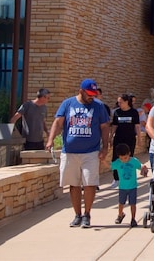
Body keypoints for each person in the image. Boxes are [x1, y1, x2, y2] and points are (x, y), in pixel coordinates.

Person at [46, 78, 111, 230]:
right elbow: (58, 123)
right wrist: (50, 140)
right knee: (74, 184)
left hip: (91, 152)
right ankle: (77, 214)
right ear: (80, 91)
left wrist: (105, 148)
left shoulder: (99, 106)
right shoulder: (68, 104)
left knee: (90, 183)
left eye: (93, 94)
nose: (91, 97)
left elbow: (105, 127)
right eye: (88, 94)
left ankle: (87, 214)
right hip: (70, 152)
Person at [110, 142, 148, 228]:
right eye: (121, 158)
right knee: (121, 203)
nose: (124, 160)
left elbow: (140, 165)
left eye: (125, 157)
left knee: (133, 204)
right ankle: (120, 214)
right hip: (122, 187)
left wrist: (143, 167)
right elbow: (111, 166)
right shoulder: (118, 162)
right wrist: (103, 160)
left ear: (129, 154)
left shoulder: (133, 161)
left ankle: (133, 219)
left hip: (132, 187)